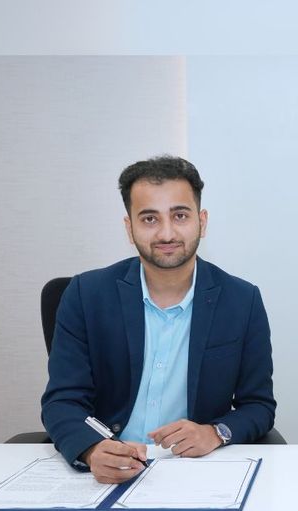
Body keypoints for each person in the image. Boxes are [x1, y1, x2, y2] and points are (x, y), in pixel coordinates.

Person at [41, 155, 276, 482]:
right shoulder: (86, 295)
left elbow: (259, 406)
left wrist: (215, 432)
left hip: (196, 470)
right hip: (108, 470)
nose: (167, 233)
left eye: (180, 215)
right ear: (129, 228)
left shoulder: (241, 300)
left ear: (202, 221)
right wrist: (92, 449)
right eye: (150, 219)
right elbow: (62, 402)